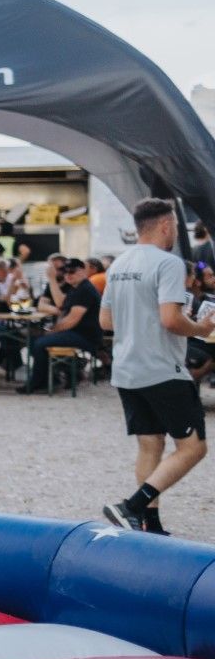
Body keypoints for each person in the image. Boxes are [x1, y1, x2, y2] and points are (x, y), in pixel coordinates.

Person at [100, 199, 215, 534]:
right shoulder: (169, 264)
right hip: (162, 369)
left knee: (151, 444)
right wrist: (200, 328)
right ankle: (131, 506)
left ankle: (149, 524)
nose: (176, 232)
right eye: (175, 227)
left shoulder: (118, 264)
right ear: (166, 225)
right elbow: (170, 319)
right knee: (193, 448)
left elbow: (106, 321)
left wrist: (142, 323)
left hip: (126, 368)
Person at [21, 258, 105, 392]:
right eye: (65, 272)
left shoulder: (85, 289)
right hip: (78, 333)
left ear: (83, 271)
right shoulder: (77, 288)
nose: (68, 275)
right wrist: (52, 279)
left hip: (86, 336)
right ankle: (52, 377)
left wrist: (52, 331)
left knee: (39, 343)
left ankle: (39, 382)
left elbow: (71, 320)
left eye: (72, 271)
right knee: (34, 340)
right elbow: (61, 304)